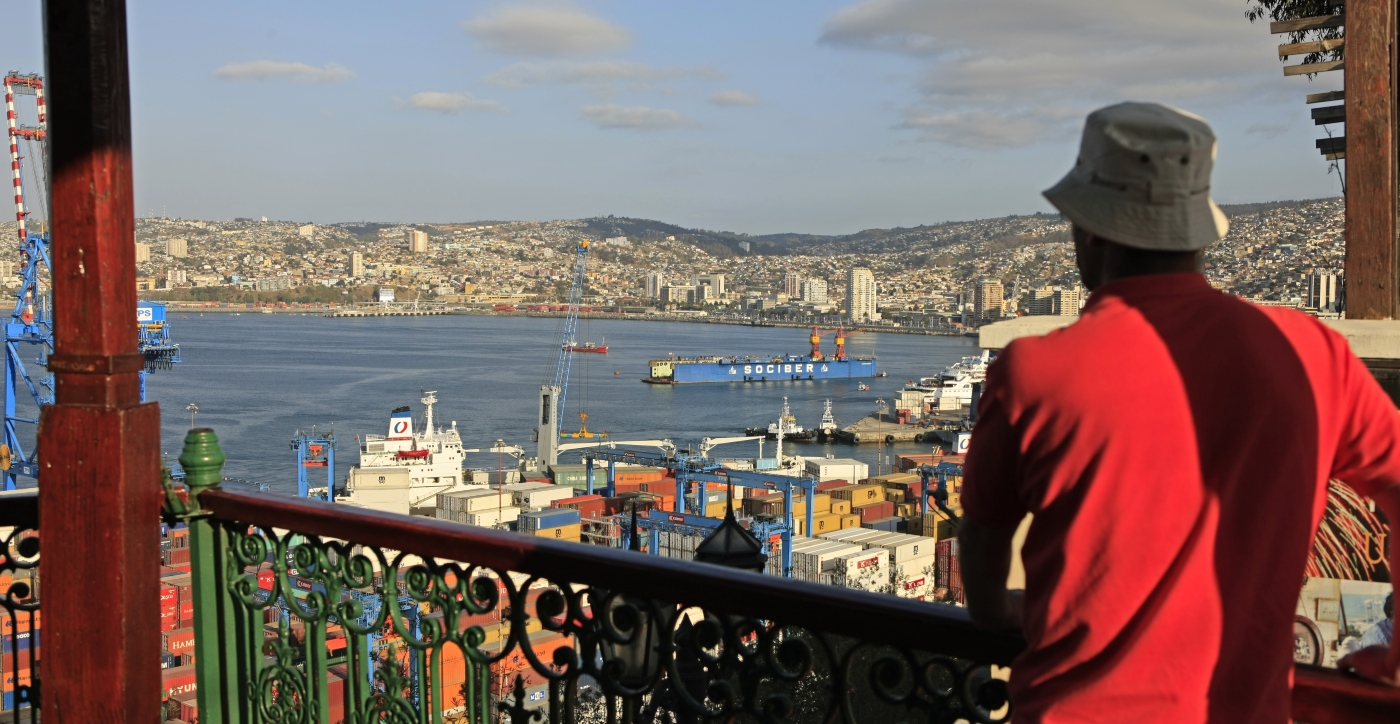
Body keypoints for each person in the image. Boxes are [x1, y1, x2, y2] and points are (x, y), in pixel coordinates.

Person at [957, 102, 1400, 723]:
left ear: (1091, 229)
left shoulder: (1034, 372)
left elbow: (980, 541)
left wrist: (996, 613)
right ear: (1195, 230)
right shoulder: (1310, 354)